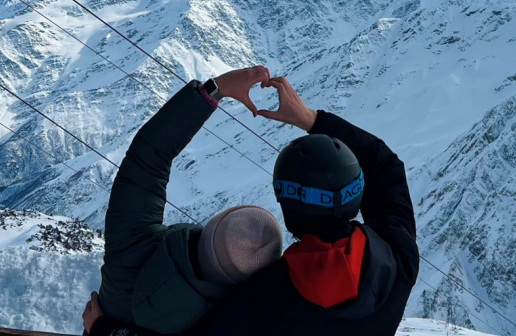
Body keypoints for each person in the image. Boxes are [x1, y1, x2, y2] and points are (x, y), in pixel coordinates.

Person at [86, 75, 419, 336]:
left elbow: (146, 159)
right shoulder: (398, 254)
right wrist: (311, 119)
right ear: (357, 193)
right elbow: (385, 167)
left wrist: (103, 329)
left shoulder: (268, 300)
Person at [83, 66, 284, 336]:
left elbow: (149, 155)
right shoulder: (227, 323)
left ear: (211, 226)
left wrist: (216, 89)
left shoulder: (133, 243)